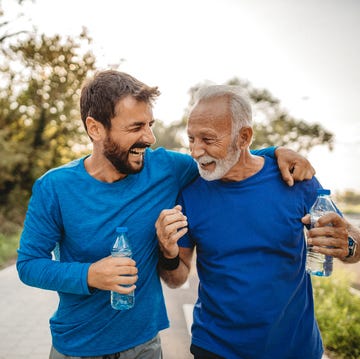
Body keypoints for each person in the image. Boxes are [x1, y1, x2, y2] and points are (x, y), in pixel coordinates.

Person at [17, 70, 315, 359]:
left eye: (150, 124)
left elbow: (227, 157)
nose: (150, 137)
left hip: (143, 346)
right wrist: (89, 275)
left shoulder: (166, 169)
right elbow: (29, 265)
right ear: (95, 128)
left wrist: (276, 152)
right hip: (75, 345)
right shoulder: (54, 187)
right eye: (136, 127)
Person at [155, 85, 360, 359]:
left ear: (244, 137)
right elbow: (176, 277)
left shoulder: (296, 180)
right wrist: (167, 254)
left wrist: (347, 244)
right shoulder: (190, 193)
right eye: (191, 138)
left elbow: (353, 245)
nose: (195, 150)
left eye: (207, 139)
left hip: (296, 350)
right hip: (215, 350)